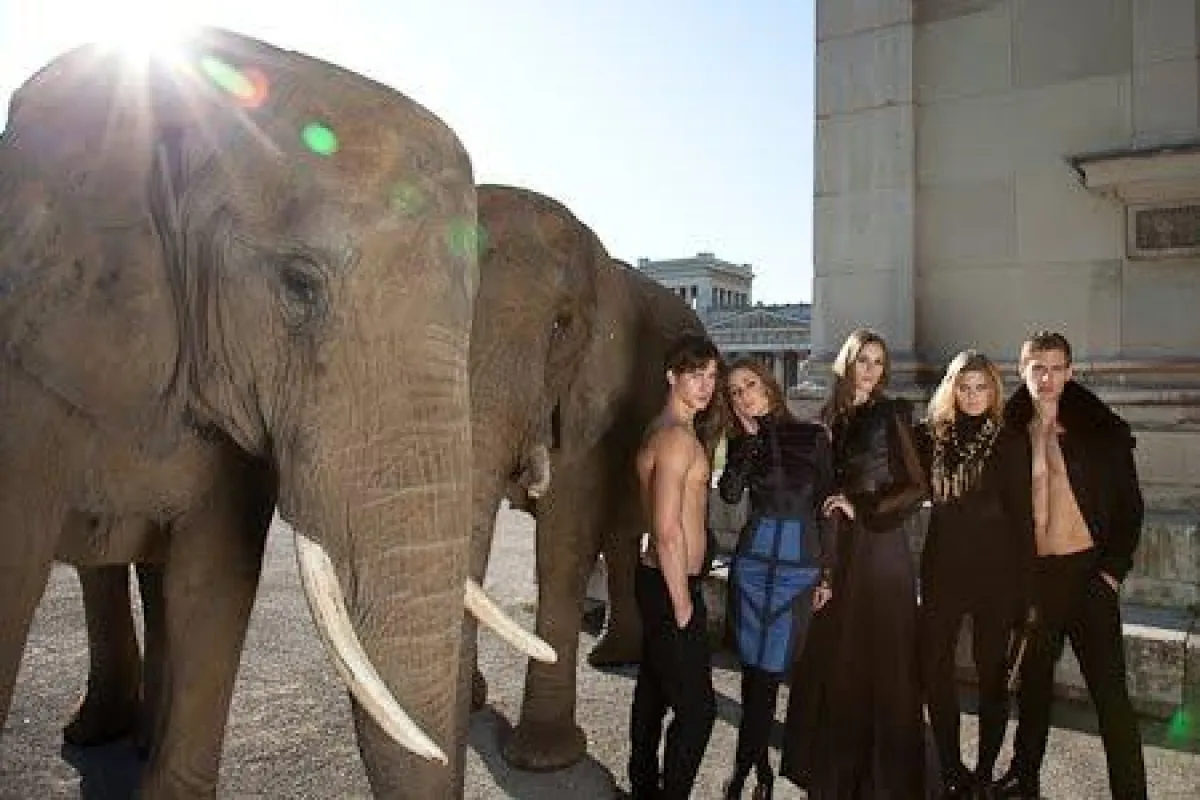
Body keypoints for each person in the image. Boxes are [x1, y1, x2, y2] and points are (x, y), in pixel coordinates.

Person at [994, 331, 1147, 800]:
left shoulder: (1098, 430)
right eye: (1037, 367)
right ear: (1021, 371)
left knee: (1110, 697)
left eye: (1057, 368)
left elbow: (1130, 507)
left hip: (1089, 576)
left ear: (1070, 372)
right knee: (1033, 688)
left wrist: (1110, 573)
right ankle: (1024, 779)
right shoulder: (1007, 432)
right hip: (1038, 580)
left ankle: (1131, 792)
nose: (1047, 377)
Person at [780, 327, 928, 798]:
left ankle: (884, 783)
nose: (870, 369)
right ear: (846, 362)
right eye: (862, 359)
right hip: (837, 552)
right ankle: (839, 776)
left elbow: (915, 486)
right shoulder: (826, 419)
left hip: (880, 550)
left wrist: (859, 506)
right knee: (838, 661)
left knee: (883, 663)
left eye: (878, 362)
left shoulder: (892, 413)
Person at [717, 359, 836, 800]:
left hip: (797, 570)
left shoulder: (813, 436)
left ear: (769, 384)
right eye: (734, 392)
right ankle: (759, 770)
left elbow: (828, 508)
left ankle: (743, 775)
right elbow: (730, 493)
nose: (744, 395)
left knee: (767, 675)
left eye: (750, 384)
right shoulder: (740, 442)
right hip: (751, 566)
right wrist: (747, 443)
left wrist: (829, 572)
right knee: (754, 675)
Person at [913, 350, 1020, 796]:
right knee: (934, 668)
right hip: (943, 570)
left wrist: (1026, 590)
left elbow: (1023, 518)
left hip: (996, 575)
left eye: (981, 387)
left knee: (992, 674)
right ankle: (952, 766)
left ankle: (983, 773)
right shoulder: (930, 437)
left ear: (994, 390)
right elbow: (896, 483)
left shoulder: (1010, 439)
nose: (973, 395)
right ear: (951, 389)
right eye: (964, 386)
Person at [627, 333, 722, 799]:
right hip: (671, 582)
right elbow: (666, 530)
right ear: (671, 375)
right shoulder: (676, 439)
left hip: (658, 578)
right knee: (698, 712)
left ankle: (643, 786)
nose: (705, 386)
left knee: (654, 689)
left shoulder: (660, 427)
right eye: (694, 375)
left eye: (711, 376)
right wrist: (683, 603)